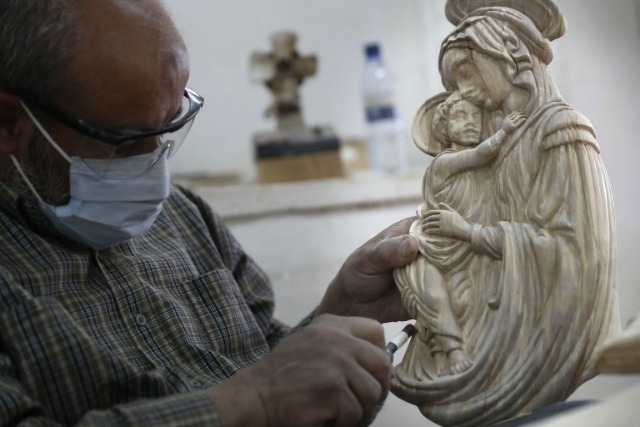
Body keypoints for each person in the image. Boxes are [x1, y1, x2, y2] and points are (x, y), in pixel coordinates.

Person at [0, 1, 419, 426]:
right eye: (122, 141)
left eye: (169, 125)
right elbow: (267, 388)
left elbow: (272, 362)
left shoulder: (185, 217)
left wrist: (345, 307)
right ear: (9, 123)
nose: (154, 167)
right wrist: (255, 403)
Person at [391, 4, 620, 427]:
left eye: (469, 71)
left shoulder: (561, 132)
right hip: (487, 301)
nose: (464, 91)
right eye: (456, 79)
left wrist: (474, 235)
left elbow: (579, 252)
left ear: (506, 60)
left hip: (534, 319)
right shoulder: (499, 138)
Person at [398, 90, 525, 376]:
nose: (469, 122)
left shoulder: (489, 173)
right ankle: (452, 350)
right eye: (459, 116)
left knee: (470, 298)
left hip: (468, 245)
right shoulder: (444, 162)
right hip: (436, 245)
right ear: (444, 127)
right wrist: (504, 132)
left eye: (475, 116)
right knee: (437, 294)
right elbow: (481, 154)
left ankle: (466, 352)